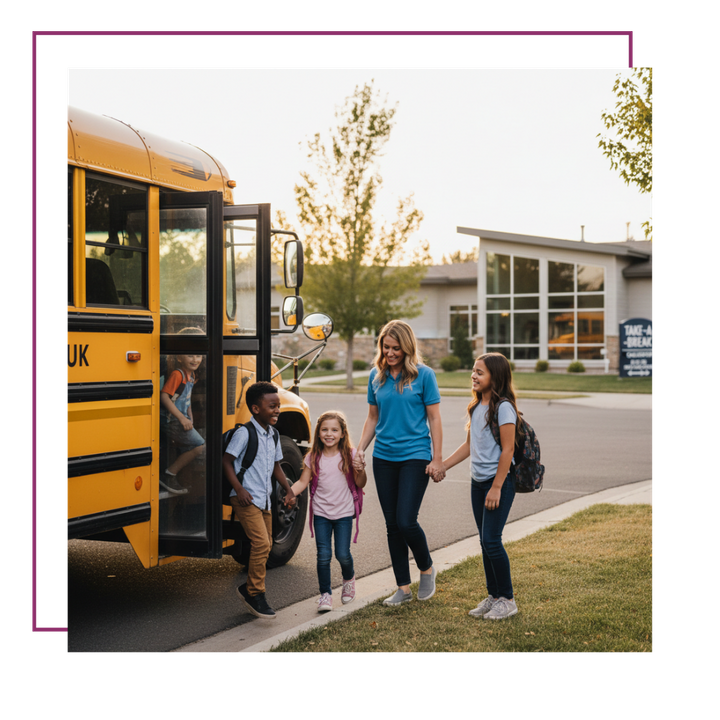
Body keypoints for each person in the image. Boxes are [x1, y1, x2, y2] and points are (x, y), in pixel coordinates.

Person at [355, 320, 443, 607]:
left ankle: (426, 567)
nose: (390, 353)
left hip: (415, 456)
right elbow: (372, 418)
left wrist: (437, 458)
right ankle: (403, 588)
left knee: (406, 520)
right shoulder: (376, 377)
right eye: (386, 347)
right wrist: (359, 450)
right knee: (392, 525)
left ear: (407, 348)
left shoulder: (424, 376)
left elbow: (434, 418)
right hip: (384, 458)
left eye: (396, 348)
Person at [439, 353, 520, 620]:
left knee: (491, 541)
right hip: (478, 482)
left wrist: (497, 487)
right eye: (473, 371)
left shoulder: (504, 408)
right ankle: (494, 596)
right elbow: (468, 446)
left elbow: (508, 451)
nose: (474, 376)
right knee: (485, 542)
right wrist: (443, 465)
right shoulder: (476, 407)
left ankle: (507, 599)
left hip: (498, 483)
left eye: (480, 372)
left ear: (495, 377)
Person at [222, 381, 294, 620]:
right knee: (261, 544)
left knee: (267, 544)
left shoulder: (273, 435)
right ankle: (255, 592)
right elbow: (227, 461)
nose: (277, 410)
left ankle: (250, 589)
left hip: (264, 500)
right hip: (245, 498)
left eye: (278, 406)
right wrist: (239, 489)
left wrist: (288, 489)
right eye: (271, 406)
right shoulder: (244, 433)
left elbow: (276, 467)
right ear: (255, 409)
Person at [285, 411, 367, 612]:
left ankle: (348, 580)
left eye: (334, 430)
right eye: (324, 430)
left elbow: (360, 483)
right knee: (323, 556)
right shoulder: (313, 457)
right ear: (318, 432)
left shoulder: (351, 455)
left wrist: (361, 469)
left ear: (342, 433)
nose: (329, 434)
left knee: (342, 554)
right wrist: (289, 493)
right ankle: (325, 595)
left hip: (344, 514)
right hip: (321, 513)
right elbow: (303, 482)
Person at [159, 354, 205, 495]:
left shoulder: (190, 376)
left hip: (179, 418)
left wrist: (189, 416)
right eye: (190, 356)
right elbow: (164, 397)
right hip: (171, 420)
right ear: (179, 358)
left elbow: (186, 398)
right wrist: (181, 418)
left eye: (198, 356)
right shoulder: (178, 374)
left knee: (196, 445)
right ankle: (169, 474)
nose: (195, 359)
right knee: (199, 446)